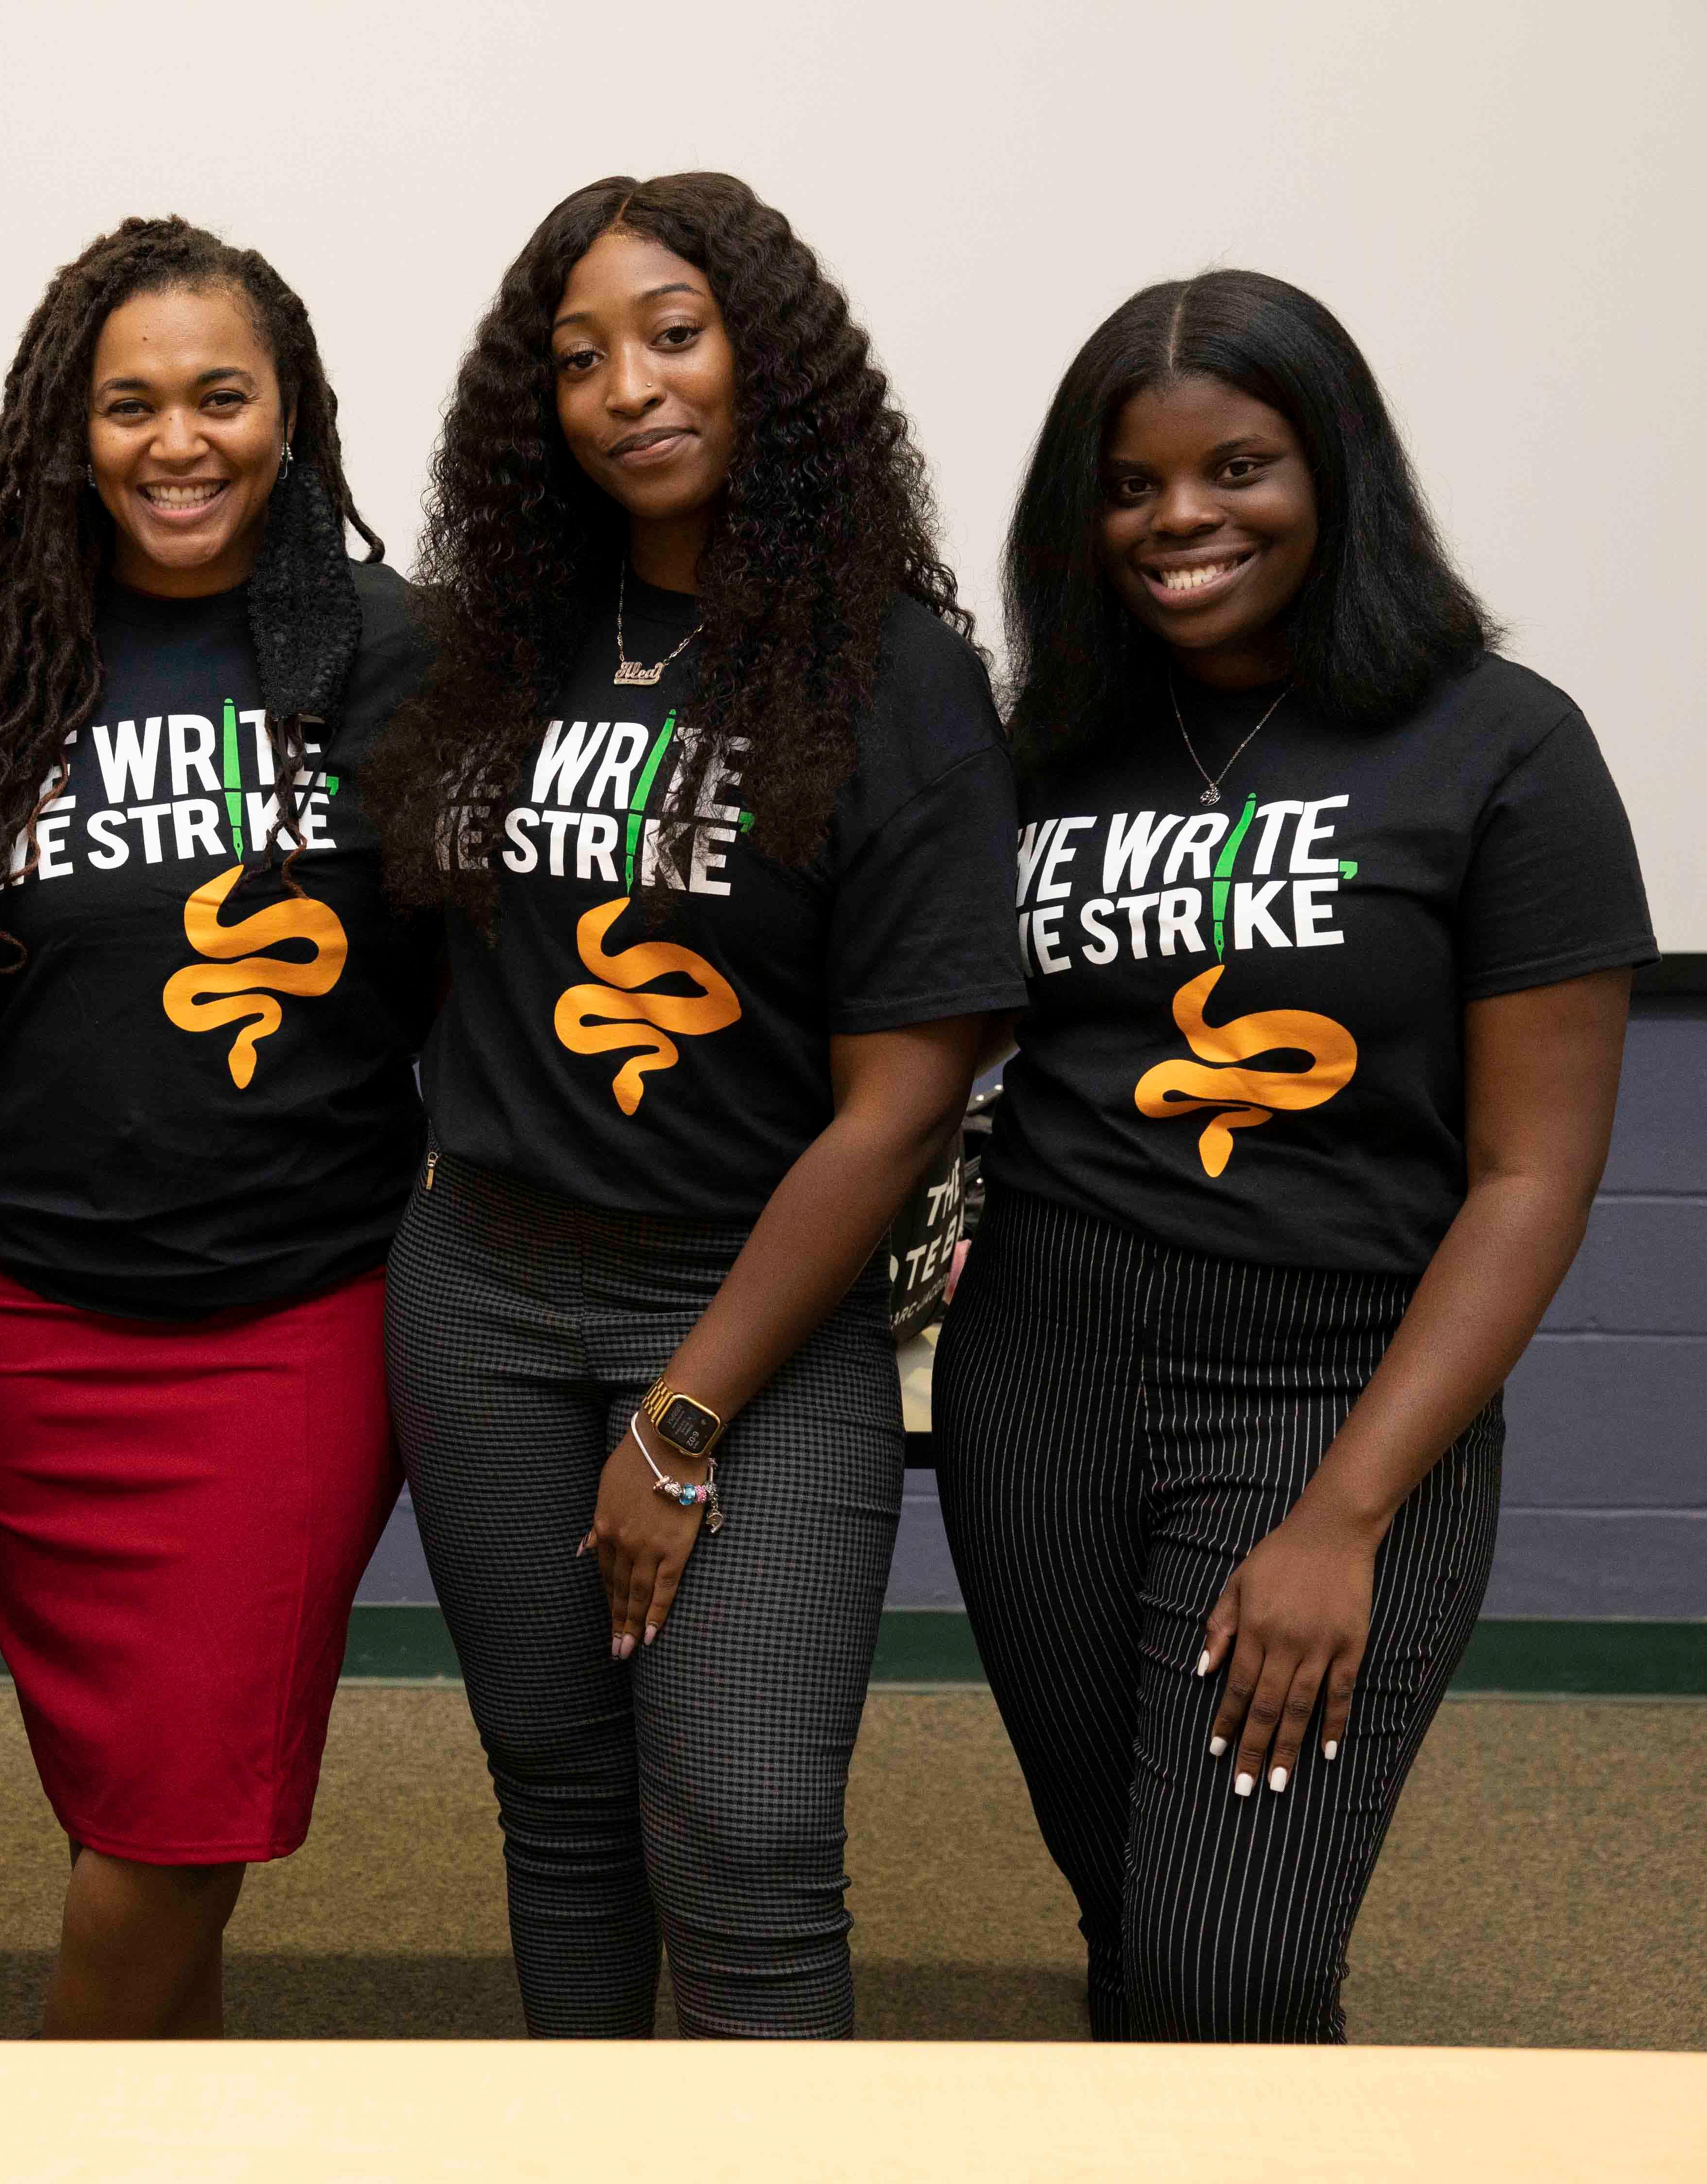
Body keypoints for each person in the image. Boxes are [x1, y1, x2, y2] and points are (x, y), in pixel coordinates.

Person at [933, 269, 1652, 2042]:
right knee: (1128, 1905)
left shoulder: (1503, 746)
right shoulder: (1050, 754)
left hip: (1329, 1386)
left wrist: (1345, 1514)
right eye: (1130, 486)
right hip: (1042, 1371)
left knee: (1229, 1963)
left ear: (1334, 474)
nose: (1182, 518)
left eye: (1238, 467)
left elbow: (1531, 1179)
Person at [366, 173, 1023, 2039]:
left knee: (740, 1838)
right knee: (563, 1811)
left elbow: (902, 1106)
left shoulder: (893, 673)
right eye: (578, 360)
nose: (629, 389)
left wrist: (680, 1424)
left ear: (768, 363)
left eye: (674, 334)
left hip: (752, 1310)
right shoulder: (487, 645)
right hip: (480, 1291)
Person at [0, 217, 432, 2038]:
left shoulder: (397, 658)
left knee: (185, 1816)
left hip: (295, 1316)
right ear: (70, 427)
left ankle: (38, 2125)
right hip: (26, 1312)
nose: (176, 442)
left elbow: (462, 966)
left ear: (293, 417)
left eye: (220, 398)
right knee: (127, 1799)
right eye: (131, 404)